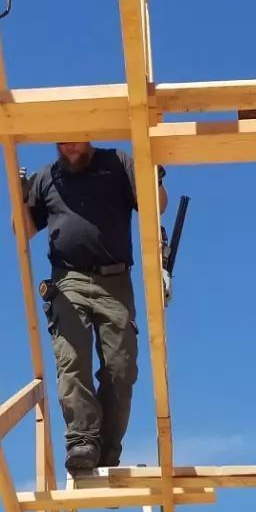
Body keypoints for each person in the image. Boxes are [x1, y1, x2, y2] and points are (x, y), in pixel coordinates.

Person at [22, 141, 167, 476]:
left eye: (75, 140)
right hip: (68, 279)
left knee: (121, 371)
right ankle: (82, 439)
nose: (69, 147)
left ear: (88, 137)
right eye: (62, 142)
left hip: (115, 283)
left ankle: (107, 452)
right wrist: (21, 200)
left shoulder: (116, 162)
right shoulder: (49, 177)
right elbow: (24, 230)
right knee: (72, 357)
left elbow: (155, 206)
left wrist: (153, 179)